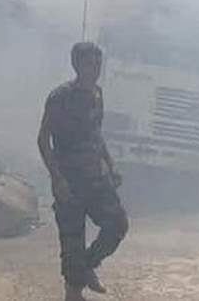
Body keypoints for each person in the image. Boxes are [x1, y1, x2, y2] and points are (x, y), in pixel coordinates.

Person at [38, 42, 129, 301]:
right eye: (90, 64)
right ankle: (74, 291)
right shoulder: (60, 97)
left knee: (117, 225)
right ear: (76, 64)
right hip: (69, 181)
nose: (95, 69)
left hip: (96, 178)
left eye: (98, 64)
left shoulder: (97, 94)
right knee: (72, 241)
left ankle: (87, 266)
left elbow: (96, 134)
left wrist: (111, 164)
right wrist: (57, 178)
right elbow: (43, 139)